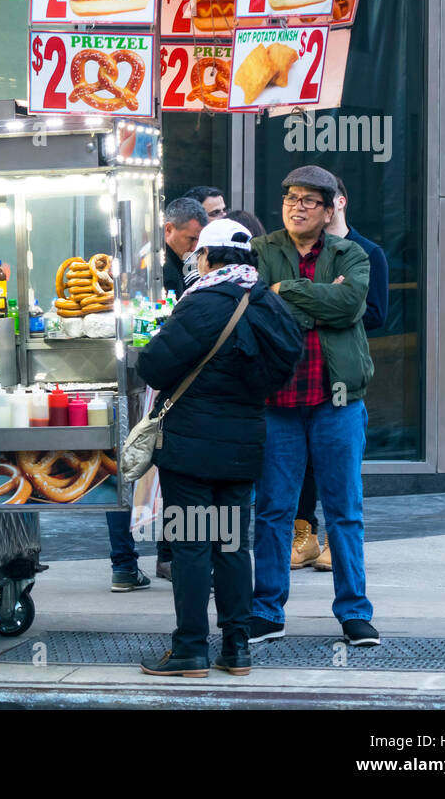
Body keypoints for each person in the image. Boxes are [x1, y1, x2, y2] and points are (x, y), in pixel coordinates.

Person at [136, 219, 303, 677]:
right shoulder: (267, 303)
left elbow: (153, 365)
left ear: (207, 257)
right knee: (230, 546)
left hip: (190, 452)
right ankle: (236, 648)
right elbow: (284, 365)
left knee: (190, 548)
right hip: (241, 448)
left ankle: (190, 649)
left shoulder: (201, 303)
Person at [250, 166, 380, 647]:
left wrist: (289, 293)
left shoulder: (354, 255)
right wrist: (315, 302)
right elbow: (258, 308)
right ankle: (266, 611)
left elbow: (349, 307)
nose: (297, 206)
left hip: (337, 402)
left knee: (345, 511)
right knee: (272, 511)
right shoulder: (261, 252)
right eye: (290, 197)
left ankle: (354, 613)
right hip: (277, 402)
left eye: (309, 200)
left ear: (330, 211)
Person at [292, 175, 389, 572]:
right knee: (300, 463)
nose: (307, 209)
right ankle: (304, 535)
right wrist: (330, 298)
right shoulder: (295, 253)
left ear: (338, 205)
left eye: (317, 202)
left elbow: (377, 313)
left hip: (343, 371)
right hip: (301, 371)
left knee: (340, 463)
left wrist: (327, 304)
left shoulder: (368, 252)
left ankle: (336, 538)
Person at [154, 196, 208, 579]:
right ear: (168, 229)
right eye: (190, 240)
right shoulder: (153, 267)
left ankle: (173, 555)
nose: (193, 249)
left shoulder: (187, 271)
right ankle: (162, 556)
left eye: (199, 243)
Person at [162, 196, 208, 299]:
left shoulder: (188, 259)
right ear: (168, 229)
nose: (195, 248)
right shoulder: (159, 267)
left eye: (200, 240)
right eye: (191, 239)